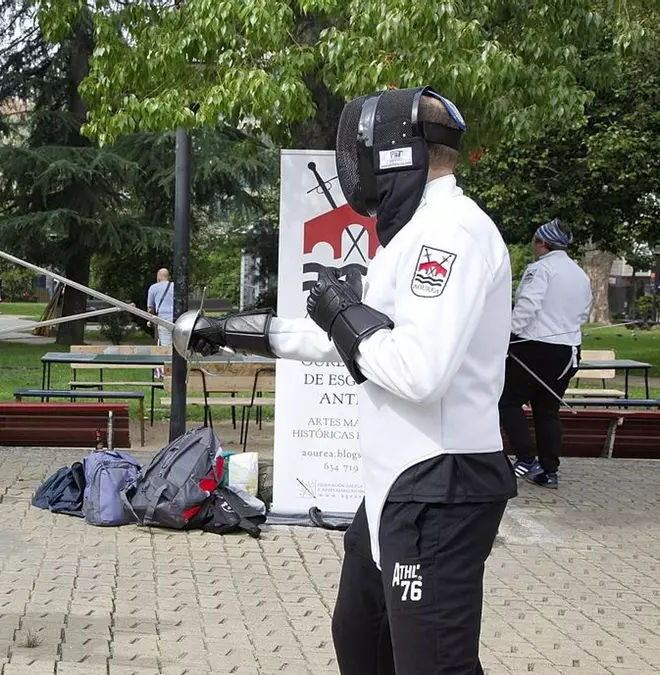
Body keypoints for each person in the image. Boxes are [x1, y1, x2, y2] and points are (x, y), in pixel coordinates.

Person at [176, 87, 517, 674]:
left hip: (440, 484)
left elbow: (418, 370)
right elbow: (356, 339)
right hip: (396, 485)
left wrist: (343, 318)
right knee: (361, 639)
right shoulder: (412, 235)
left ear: (395, 153)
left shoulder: (452, 233)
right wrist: (233, 332)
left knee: (433, 665)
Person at [499, 219, 592, 489]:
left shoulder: (540, 269)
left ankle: (526, 458)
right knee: (547, 410)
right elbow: (584, 312)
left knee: (506, 401)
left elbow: (528, 306)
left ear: (542, 243)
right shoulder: (580, 274)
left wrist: (508, 335)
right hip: (569, 351)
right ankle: (550, 471)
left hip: (537, 348)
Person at [146, 267, 175, 347]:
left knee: (166, 347)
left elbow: (150, 309)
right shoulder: (175, 286)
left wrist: (151, 321)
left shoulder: (153, 288)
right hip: (178, 320)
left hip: (163, 320)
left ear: (158, 278)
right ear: (168, 277)